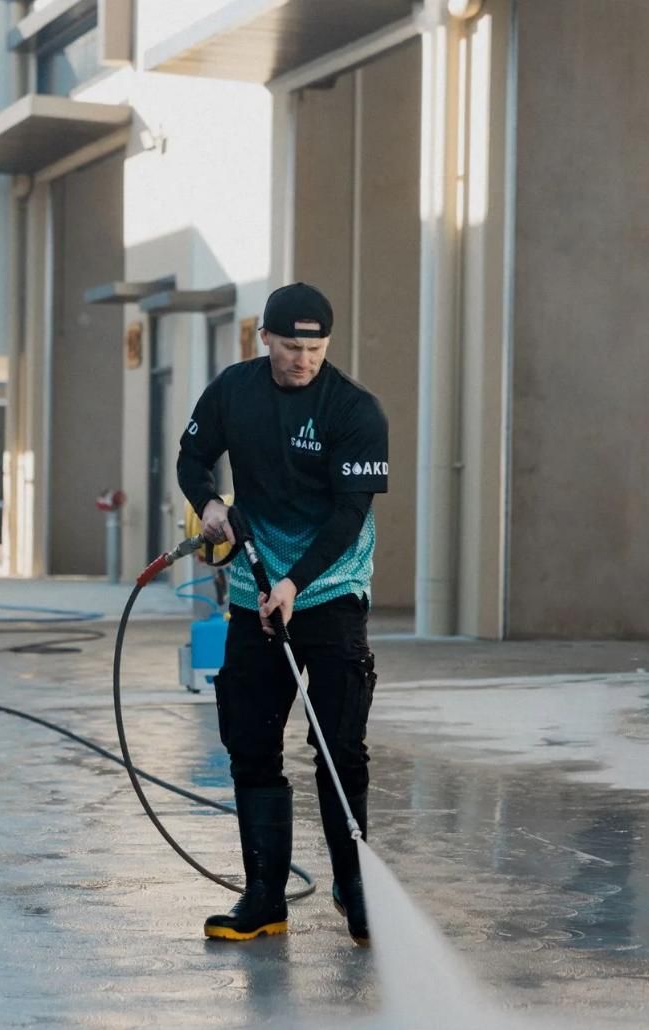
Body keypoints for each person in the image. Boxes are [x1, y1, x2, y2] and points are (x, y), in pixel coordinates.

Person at [177, 282, 388, 945]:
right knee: (250, 744)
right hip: (252, 595)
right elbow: (191, 457)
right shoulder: (234, 391)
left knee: (339, 746)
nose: (303, 360)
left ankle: (355, 890)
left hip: (329, 593)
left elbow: (350, 515)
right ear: (263, 337)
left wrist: (296, 581)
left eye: (315, 348)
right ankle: (264, 897)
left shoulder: (354, 410)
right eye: (292, 346)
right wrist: (209, 503)